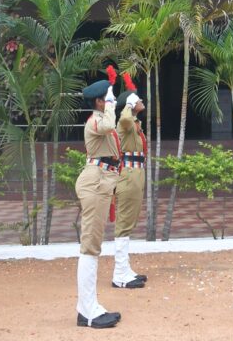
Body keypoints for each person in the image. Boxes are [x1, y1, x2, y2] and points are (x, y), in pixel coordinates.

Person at [75, 73, 122, 329]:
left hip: (102, 180)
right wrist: (112, 104)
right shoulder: (96, 121)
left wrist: (111, 102)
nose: (111, 101)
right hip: (95, 182)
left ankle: (89, 306)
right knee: (90, 246)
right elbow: (109, 125)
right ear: (99, 102)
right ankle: (87, 311)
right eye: (108, 98)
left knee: (94, 244)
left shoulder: (101, 119)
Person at [112, 73, 148, 289]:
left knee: (130, 221)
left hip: (136, 174)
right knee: (124, 222)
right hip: (128, 175)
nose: (141, 100)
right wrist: (128, 104)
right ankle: (119, 274)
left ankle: (125, 269)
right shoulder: (125, 122)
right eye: (137, 99)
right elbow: (124, 119)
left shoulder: (135, 123)